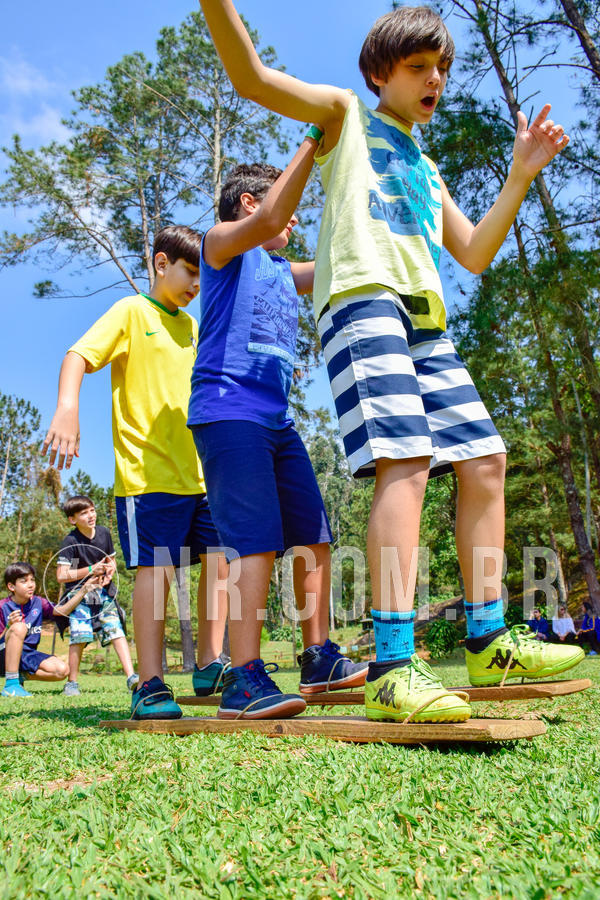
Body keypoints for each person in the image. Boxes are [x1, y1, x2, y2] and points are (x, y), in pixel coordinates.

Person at [198, 0, 583, 722]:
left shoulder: (427, 166)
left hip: (426, 322)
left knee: (485, 460)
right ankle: (393, 665)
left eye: (442, 68)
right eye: (418, 67)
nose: (435, 78)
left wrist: (520, 176)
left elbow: (472, 253)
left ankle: (487, 639)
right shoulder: (346, 116)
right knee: (404, 461)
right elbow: (249, 76)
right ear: (380, 72)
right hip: (364, 304)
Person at [188, 140, 368, 719]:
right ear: (247, 203)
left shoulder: (279, 269)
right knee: (256, 542)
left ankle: (318, 657)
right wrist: (314, 143)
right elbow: (271, 217)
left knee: (312, 532)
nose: (294, 219)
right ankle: (242, 678)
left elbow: (335, 265)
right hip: (227, 411)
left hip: (276, 419)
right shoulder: (220, 244)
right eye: (286, 207)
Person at [43, 227, 229, 721]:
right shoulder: (131, 312)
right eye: (191, 272)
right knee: (156, 572)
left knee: (222, 559)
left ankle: (212, 663)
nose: (196, 284)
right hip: (148, 478)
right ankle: (149, 684)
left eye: (202, 276)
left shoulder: (192, 326)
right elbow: (77, 356)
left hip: (202, 475)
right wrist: (67, 408)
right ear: (161, 263)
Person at [56, 495, 138, 696]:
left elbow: (110, 561)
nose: (91, 515)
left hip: (103, 593)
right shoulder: (71, 540)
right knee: (80, 635)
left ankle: (131, 677)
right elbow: (62, 575)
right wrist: (91, 569)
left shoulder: (104, 533)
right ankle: (72, 683)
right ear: (72, 519)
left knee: (115, 629)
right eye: (84, 513)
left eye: (92, 510)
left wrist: (108, 573)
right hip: (79, 595)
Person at [0, 561, 103, 698]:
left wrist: (84, 589)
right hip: (3, 654)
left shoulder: (38, 602)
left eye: (32, 580)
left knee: (62, 670)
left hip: (27, 654)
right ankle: (11, 686)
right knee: (19, 627)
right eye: (24, 581)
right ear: (11, 586)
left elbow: (62, 611)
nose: (31, 584)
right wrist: (8, 626)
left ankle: (20, 676)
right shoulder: (3, 606)